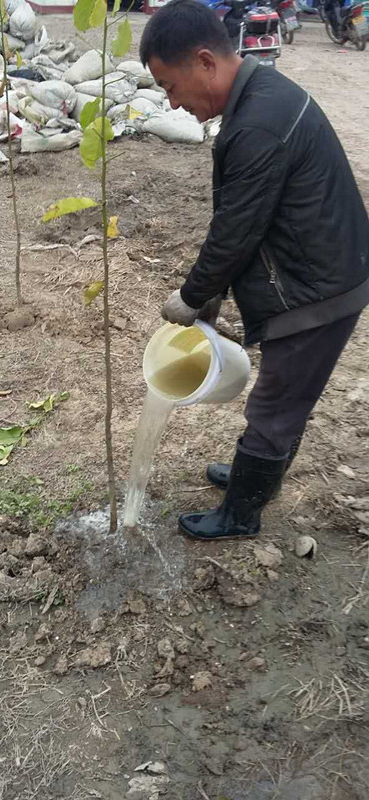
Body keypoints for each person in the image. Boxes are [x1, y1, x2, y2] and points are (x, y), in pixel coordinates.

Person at [139, 0, 369, 542]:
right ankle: (257, 479)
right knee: (287, 398)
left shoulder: (259, 124)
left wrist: (192, 296)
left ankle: (242, 513)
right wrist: (214, 293)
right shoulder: (261, 95)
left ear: (204, 62)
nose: (173, 102)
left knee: (275, 403)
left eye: (170, 86)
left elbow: (237, 229)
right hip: (324, 268)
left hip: (318, 290)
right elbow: (251, 218)